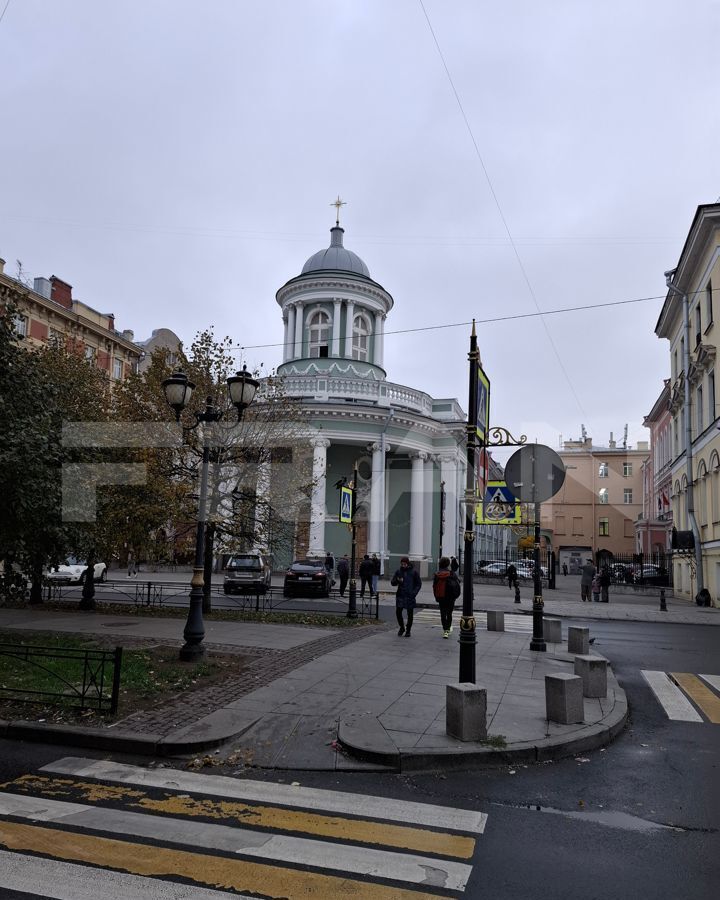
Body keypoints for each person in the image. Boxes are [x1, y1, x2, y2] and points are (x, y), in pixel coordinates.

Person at [391, 556, 421, 637]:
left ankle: (408, 630)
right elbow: (393, 583)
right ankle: (402, 627)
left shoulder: (414, 572)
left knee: (410, 614)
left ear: (408, 563)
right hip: (400, 594)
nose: (403, 565)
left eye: (404, 564)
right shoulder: (399, 571)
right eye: (402, 564)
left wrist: (414, 593)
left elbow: (418, 584)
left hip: (410, 595)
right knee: (398, 612)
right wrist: (397, 580)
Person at [432, 556, 461, 638]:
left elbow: (434, 586)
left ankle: (445, 630)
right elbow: (457, 583)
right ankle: (448, 629)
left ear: (440, 563)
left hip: (441, 596)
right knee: (449, 613)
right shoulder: (451, 573)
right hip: (451, 596)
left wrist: (436, 596)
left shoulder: (437, 574)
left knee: (443, 613)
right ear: (448, 564)